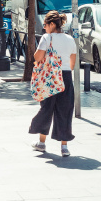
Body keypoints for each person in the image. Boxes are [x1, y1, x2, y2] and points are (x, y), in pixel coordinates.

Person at [28, 10, 77, 157]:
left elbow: (37, 57)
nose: (44, 28)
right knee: (65, 111)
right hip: (66, 77)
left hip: (50, 77)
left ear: (52, 24)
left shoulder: (46, 37)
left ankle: (42, 143)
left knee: (47, 108)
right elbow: (72, 63)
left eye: (45, 25)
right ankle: (64, 147)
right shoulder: (70, 39)